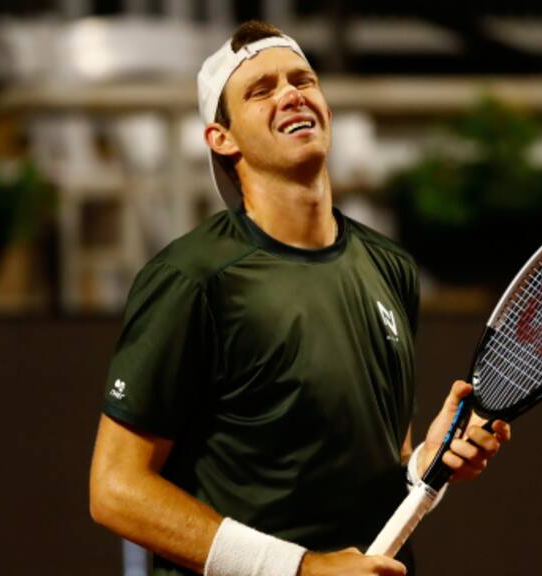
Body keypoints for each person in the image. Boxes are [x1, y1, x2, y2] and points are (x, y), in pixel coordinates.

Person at [90, 20, 511, 576]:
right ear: (223, 138)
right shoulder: (191, 278)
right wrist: (301, 569)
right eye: (261, 90)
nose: (291, 94)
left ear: (326, 109)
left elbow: (381, 466)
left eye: (303, 80)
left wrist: (424, 468)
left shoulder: (390, 268)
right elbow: (116, 490)